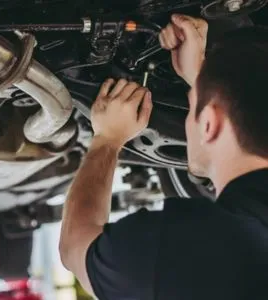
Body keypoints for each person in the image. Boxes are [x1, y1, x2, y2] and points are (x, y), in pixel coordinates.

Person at [59, 14, 268, 300]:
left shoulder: (195, 254)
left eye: (191, 107)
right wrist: (204, 79)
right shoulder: (201, 253)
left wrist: (107, 139)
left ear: (210, 123)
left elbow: (76, 247)